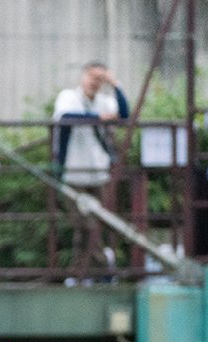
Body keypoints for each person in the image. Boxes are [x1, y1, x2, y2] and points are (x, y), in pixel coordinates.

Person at [53, 62, 128, 277]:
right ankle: (104, 266)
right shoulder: (69, 97)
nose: (95, 82)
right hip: (73, 172)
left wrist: (116, 84)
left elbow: (124, 114)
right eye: (92, 77)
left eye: (100, 79)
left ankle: (79, 273)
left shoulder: (104, 101)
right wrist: (98, 118)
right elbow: (66, 118)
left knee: (92, 225)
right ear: (83, 76)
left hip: (98, 172)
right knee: (85, 223)